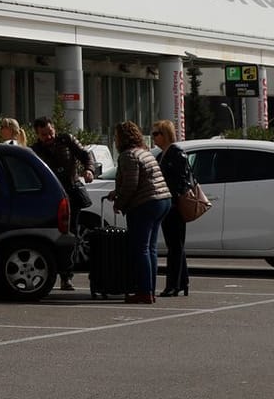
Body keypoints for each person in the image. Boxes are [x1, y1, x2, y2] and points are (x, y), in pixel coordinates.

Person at [106, 120, 171, 304]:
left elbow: (131, 184)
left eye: (117, 136)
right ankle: (149, 289)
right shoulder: (145, 152)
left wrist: (120, 202)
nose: (115, 139)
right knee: (150, 248)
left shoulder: (128, 155)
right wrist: (116, 192)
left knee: (140, 248)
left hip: (145, 204)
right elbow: (139, 180)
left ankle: (144, 291)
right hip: (162, 200)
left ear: (122, 138)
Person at [31, 116, 97, 291]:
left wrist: (89, 170)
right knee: (52, 237)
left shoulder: (66, 140)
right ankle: (54, 274)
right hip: (51, 198)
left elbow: (86, 154)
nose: (49, 137)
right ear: (37, 134)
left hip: (72, 194)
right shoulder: (35, 150)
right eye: (44, 134)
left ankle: (66, 277)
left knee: (71, 235)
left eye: (50, 132)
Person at [152, 120, 190, 298]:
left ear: (165, 134)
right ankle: (182, 282)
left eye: (156, 133)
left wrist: (173, 197)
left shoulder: (176, 153)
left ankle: (173, 285)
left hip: (174, 205)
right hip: (166, 204)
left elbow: (183, 180)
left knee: (175, 246)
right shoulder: (161, 155)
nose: (154, 137)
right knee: (175, 245)